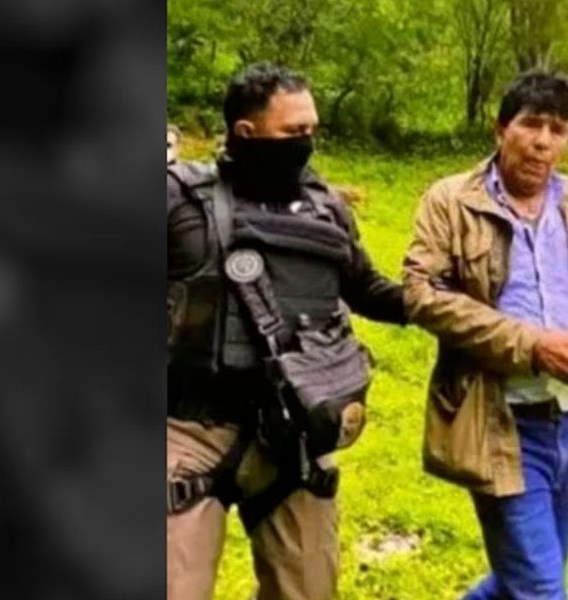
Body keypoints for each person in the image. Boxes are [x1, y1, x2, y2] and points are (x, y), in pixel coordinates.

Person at [166, 62, 406, 600]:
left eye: (312, 129)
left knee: (309, 589)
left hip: (294, 433)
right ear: (245, 132)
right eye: (294, 131)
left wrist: (442, 304)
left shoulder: (325, 209)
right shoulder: (179, 200)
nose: (307, 142)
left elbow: (367, 288)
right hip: (189, 427)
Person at [402, 70, 568, 600]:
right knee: (542, 591)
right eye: (531, 125)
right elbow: (420, 292)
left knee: (517, 582)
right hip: (500, 420)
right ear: (501, 128)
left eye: (558, 129)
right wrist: (531, 344)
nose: (543, 141)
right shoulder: (452, 199)